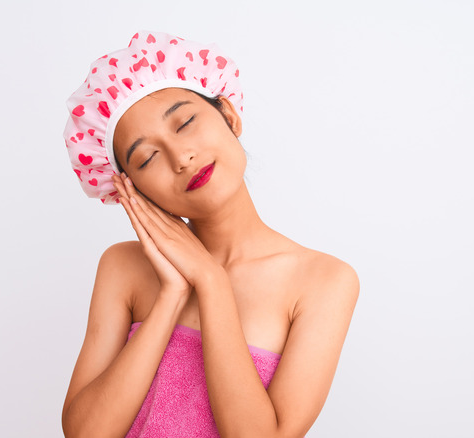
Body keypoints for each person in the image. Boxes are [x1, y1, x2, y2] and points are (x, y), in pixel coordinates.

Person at [60, 30, 359, 438]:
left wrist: (212, 282)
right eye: (147, 157)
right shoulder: (123, 267)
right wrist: (172, 294)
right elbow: (85, 434)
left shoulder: (324, 281)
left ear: (230, 117)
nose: (181, 158)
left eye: (185, 123)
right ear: (129, 188)